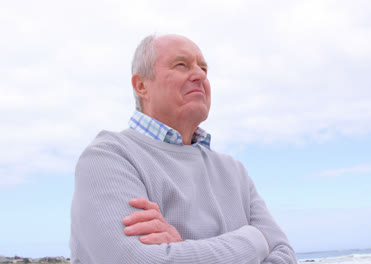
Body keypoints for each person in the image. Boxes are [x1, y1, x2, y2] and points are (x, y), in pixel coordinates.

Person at [70, 34, 297, 264]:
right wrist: (255, 239)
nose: (199, 75)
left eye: (204, 68)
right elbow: (134, 260)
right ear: (141, 85)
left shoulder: (234, 171)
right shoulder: (109, 157)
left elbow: (285, 255)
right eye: (181, 65)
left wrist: (184, 251)